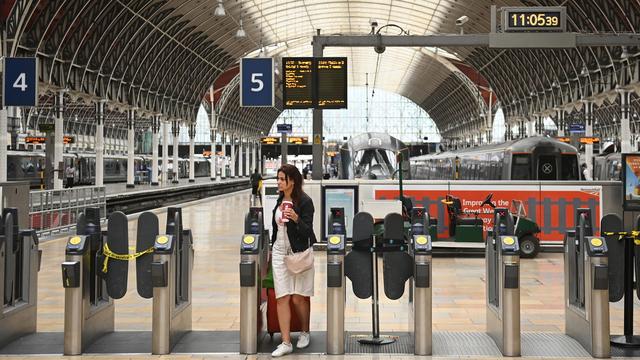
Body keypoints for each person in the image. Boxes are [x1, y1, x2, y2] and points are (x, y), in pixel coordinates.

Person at [270, 164, 316, 357]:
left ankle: (304, 331)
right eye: (278, 179)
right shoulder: (279, 199)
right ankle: (286, 341)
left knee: (298, 298)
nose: (279, 182)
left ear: (292, 181)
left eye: (282, 179)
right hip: (280, 253)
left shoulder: (305, 202)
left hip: (299, 253)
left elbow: (308, 232)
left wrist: (296, 218)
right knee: (282, 297)